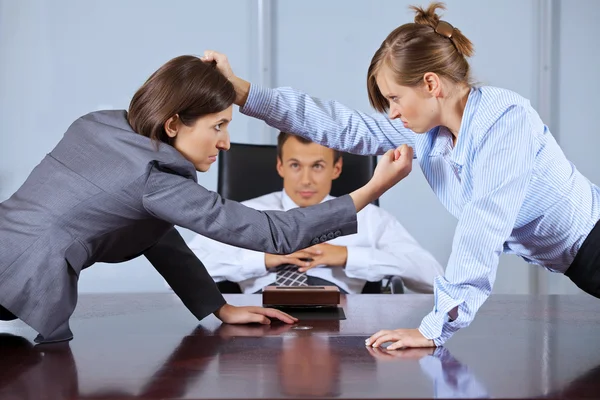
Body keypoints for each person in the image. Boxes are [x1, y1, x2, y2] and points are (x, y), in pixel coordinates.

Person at [201, 1, 600, 349]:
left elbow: (482, 227)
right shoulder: (429, 131)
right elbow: (343, 127)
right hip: (576, 260)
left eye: (394, 98)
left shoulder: (504, 123)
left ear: (430, 84)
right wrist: (242, 92)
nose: (391, 112)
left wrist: (434, 330)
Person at [0, 55, 413, 344]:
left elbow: (152, 232)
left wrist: (216, 307)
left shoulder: (102, 126)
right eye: (218, 125)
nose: (226, 142)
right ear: (175, 123)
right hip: (15, 276)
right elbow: (274, 232)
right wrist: (371, 189)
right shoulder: (153, 179)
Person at [186, 131, 443, 294]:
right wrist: (262, 259)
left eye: (318, 166)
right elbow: (183, 273)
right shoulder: (244, 212)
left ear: (336, 168)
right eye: (296, 165)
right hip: (257, 322)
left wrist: (348, 256)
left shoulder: (370, 218)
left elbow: (433, 278)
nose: (306, 179)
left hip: (343, 327)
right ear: (280, 166)